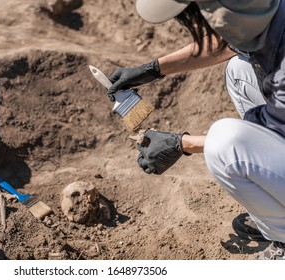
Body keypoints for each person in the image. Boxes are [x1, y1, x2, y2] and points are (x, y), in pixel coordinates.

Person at [107, 0, 285, 260]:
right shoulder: (266, 9)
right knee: (238, 71)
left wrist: (181, 144)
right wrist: (153, 69)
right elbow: (227, 43)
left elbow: (268, 134)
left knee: (225, 143)